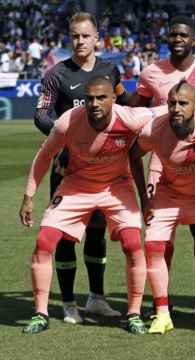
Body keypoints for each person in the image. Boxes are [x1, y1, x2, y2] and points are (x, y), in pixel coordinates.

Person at [20, 76, 159, 334]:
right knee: (44, 243)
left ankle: (134, 314)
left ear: (114, 99)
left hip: (118, 186)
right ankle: (40, 313)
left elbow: (169, 109)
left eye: (101, 98)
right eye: (90, 98)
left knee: (132, 245)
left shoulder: (130, 117)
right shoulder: (68, 121)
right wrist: (29, 195)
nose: (94, 103)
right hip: (76, 185)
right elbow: (45, 155)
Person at [128, 15, 195, 323]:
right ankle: (164, 303)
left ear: (194, 39)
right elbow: (139, 108)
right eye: (173, 34)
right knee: (162, 239)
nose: (177, 39)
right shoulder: (151, 71)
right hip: (161, 165)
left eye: (183, 35)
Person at [33, 12, 128, 324]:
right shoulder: (56, 74)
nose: (80, 41)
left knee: (98, 231)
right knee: (63, 236)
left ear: (97, 38)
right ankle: (69, 303)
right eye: (75, 36)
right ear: (69, 38)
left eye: (85, 36)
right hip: (67, 168)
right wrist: (63, 137)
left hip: (104, 169)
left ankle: (97, 298)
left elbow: (124, 106)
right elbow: (41, 115)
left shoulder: (110, 71)